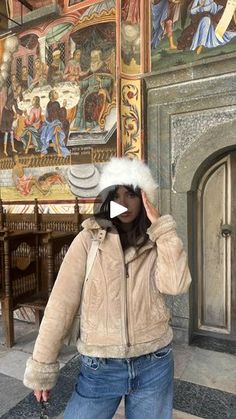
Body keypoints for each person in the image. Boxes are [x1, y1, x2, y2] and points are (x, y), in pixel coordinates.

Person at [23, 157, 191, 419]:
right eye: (116, 195)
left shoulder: (156, 240)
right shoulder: (88, 240)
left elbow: (176, 285)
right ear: (107, 199)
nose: (123, 203)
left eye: (132, 194)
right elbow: (60, 303)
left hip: (153, 363)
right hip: (100, 366)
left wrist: (163, 229)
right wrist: (42, 365)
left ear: (144, 198)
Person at [73, 49, 113, 131]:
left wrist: (101, 81)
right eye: (91, 58)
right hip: (89, 90)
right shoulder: (91, 68)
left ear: (98, 57)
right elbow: (87, 81)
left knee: (89, 101)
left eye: (94, 58)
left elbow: (109, 81)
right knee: (80, 101)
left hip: (99, 91)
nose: (92, 60)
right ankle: (78, 125)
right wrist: (80, 84)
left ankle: (90, 125)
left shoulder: (104, 67)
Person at [40, 89, 70, 157]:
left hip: (49, 123)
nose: (57, 93)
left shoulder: (49, 103)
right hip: (55, 123)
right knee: (66, 123)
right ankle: (62, 144)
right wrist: (64, 106)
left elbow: (48, 115)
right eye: (55, 93)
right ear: (52, 96)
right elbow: (59, 115)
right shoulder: (56, 103)